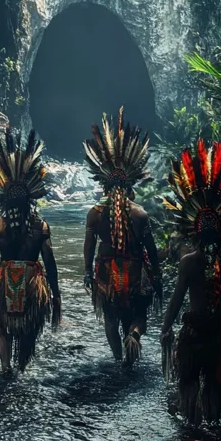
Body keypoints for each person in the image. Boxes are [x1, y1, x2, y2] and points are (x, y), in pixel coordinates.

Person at [160, 138, 221, 424]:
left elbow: (177, 299)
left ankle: (192, 430)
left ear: (193, 230)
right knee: (216, 389)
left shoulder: (190, 261)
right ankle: (212, 429)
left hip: (196, 337)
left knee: (188, 384)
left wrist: (166, 328)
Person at [83, 109, 162, 366]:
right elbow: (151, 249)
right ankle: (134, 335)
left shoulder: (95, 214)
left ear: (104, 184)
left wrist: (87, 272)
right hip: (135, 273)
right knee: (138, 316)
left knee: (110, 320)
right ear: (130, 185)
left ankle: (119, 362)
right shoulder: (140, 214)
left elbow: (89, 246)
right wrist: (157, 276)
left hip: (106, 274)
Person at [0, 126, 61, 377]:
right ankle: (21, 369)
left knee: (1, 326)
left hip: (4, 282)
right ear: (32, 199)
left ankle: (5, 367)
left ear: (4, 199)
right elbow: (50, 263)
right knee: (29, 328)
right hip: (32, 284)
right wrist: (56, 294)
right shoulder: (41, 226)